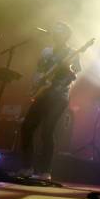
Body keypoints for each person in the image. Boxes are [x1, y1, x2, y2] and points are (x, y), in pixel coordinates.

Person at [18, 22, 81, 181]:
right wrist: (36, 84)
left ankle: (45, 171)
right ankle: (26, 168)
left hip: (59, 95)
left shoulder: (72, 52)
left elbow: (75, 74)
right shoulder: (46, 51)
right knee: (27, 127)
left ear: (66, 35)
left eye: (60, 32)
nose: (56, 35)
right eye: (55, 32)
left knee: (47, 131)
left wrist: (68, 69)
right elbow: (39, 70)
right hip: (42, 93)